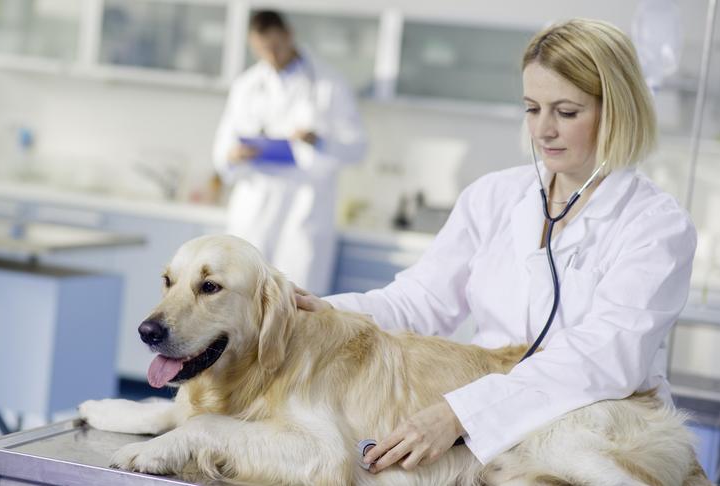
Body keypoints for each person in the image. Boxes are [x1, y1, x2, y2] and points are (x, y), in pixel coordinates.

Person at [296, 18, 696, 472]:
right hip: (481, 430)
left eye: (566, 112)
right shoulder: (494, 197)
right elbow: (419, 300)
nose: (542, 130)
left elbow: (604, 357)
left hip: (597, 434)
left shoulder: (655, 225)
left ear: (617, 111)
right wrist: (325, 312)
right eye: (532, 108)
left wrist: (462, 413)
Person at [213, 10, 366, 296]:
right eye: (261, 49)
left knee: (298, 304)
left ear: (289, 35)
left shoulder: (329, 84)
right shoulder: (246, 85)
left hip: (303, 208)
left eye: (275, 46)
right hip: (255, 205)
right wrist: (234, 155)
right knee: (241, 299)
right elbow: (222, 153)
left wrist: (318, 141)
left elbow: (357, 148)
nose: (269, 54)